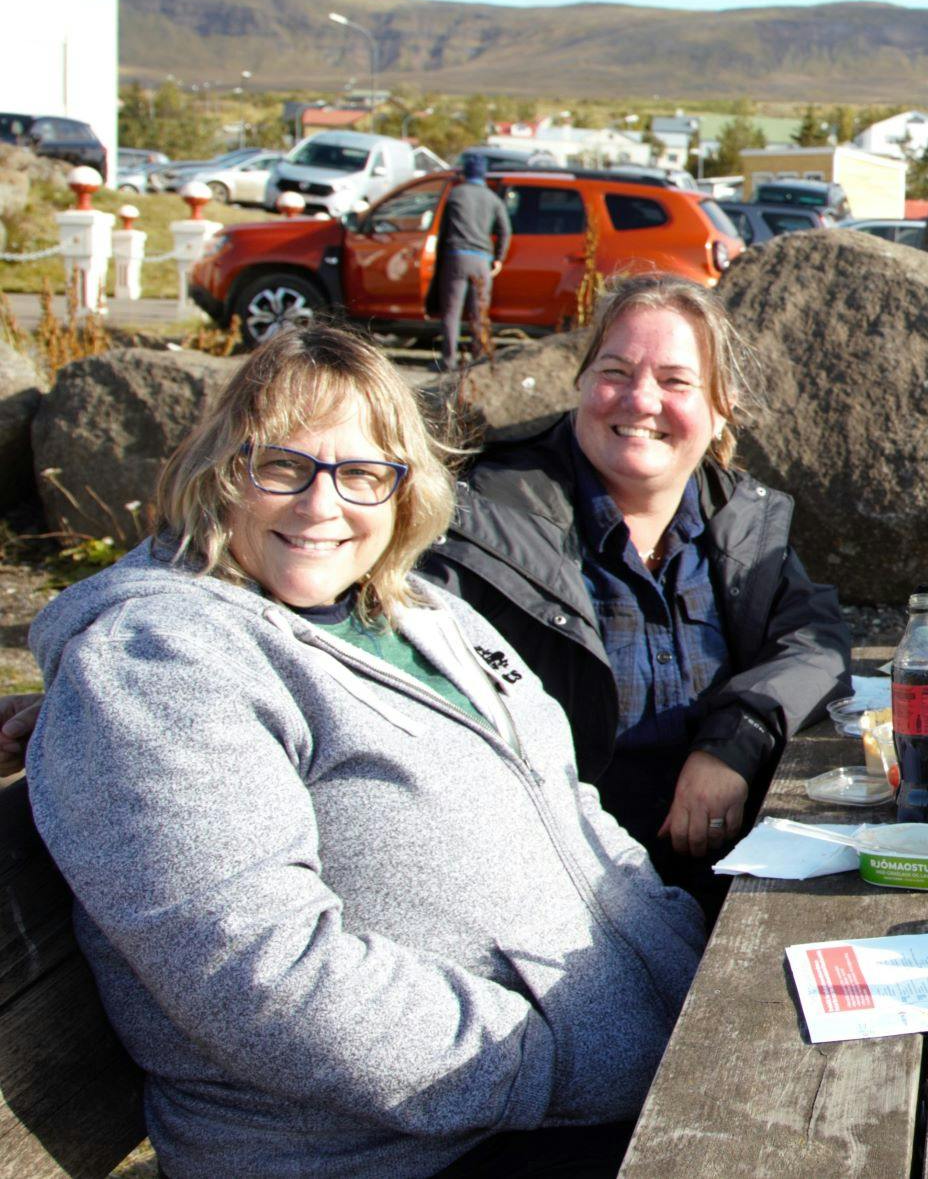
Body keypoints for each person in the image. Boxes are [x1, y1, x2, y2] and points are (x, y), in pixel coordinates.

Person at [26, 322, 702, 1179]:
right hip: (407, 1146)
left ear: (401, 490)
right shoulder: (162, 660)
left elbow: (569, 802)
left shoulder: (423, 612)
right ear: (224, 473)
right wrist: (549, 1061)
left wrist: (679, 955)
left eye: (360, 473)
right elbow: (263, 972)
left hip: (595, 1075)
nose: (320, 505)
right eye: (283, 466)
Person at [422, 273, 850, 900]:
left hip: (725, 879)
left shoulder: (740, 520)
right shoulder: (488, 520)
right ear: (582, 384)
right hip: (556, 892)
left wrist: (734, 744)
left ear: (718, 408)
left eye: (675, 381)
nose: (640, 399)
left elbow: (816, 641)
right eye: (615, 371)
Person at [434, 152, 511, 373]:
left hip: (456, 257)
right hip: (482, 262)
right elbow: (505, 230)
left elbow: (442, 230)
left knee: (451, 313)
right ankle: (478, 362)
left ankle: (448, 361)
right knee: (479, 314)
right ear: (484, 175)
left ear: (465, 173)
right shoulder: (493, 199)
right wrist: (498, 258)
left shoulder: (455, 194)